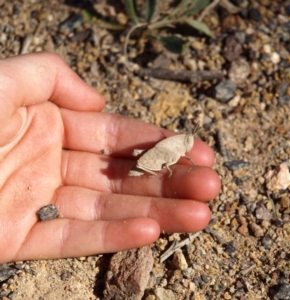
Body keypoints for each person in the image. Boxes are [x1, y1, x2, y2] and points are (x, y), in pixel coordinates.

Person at [0, 52, 220, 263]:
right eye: (188, 139)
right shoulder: (175, 145)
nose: (189, 142)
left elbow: (174, 155)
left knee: (176, 168)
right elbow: (168, 157)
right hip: (148, 161)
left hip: (155, 159)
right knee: (165, 165)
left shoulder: (179, 145)